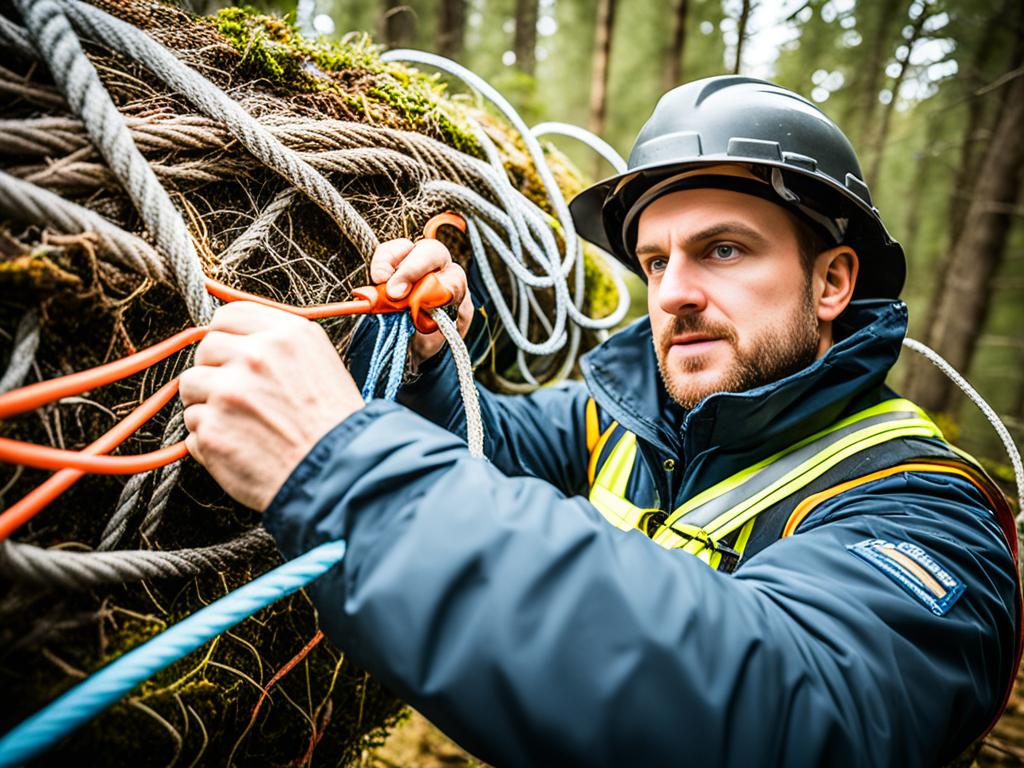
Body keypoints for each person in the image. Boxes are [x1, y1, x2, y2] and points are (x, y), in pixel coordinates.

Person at [178, 76, 1021, 767]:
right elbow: (490, 449)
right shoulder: (633, 417)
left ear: (832, 282)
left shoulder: (928, 514)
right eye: (657, 260)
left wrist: (340, 466)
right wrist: (434, 361)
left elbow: (776, 715)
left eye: (724, 250)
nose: (675, 293)